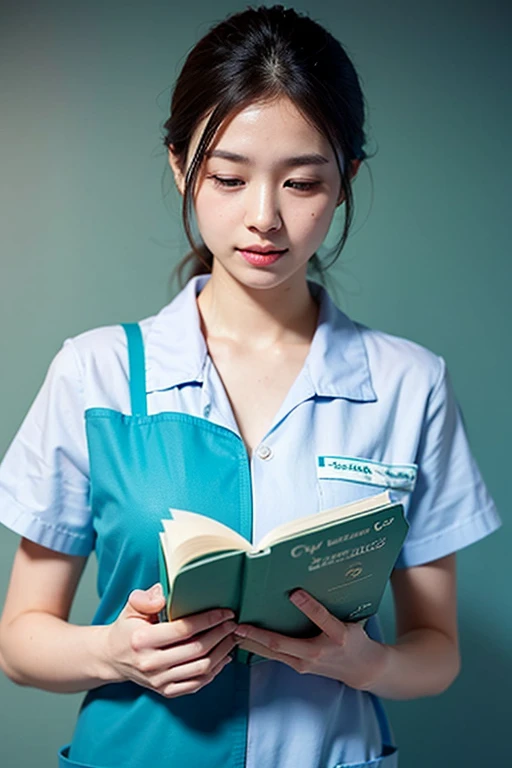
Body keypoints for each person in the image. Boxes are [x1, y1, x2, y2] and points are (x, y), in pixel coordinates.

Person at [0, 5, 501, 768]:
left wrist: (366, 665)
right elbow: (20, 639)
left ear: (345, 182)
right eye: (228, 177)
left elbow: (438, 652)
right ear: (180, 165)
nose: (263, 218)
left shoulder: (410, 386)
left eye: (303, 182)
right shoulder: (92, 373)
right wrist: (116, 651)